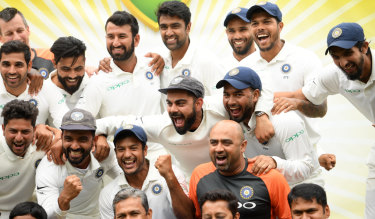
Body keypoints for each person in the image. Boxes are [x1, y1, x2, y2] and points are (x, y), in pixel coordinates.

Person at [273, 22, 374, 219]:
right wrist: (256, 102)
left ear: (364, 47)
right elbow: (297, 94)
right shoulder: (334, 75)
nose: (343, 62)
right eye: (336, 57)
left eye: (348, 53)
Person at [95, 75, 272, 179]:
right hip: (196, 185)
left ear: (199, 103)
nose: (173, 110)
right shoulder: (163, 125)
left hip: (239, 177)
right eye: (170, 103)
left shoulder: (219, 106)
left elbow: (261, 93)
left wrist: (261, 115)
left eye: (180, 103)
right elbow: (117, 122)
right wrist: (100, 134)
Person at [245, 2, 335, 171]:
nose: (260, 28)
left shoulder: (305, 58)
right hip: (261, 165)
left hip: (304, 161)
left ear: (280, 26)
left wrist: (296, 103)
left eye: (267, 22)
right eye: (255, 24)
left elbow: (321, 108)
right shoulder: (246, 66)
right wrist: (261, 114)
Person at [76, 11, 166, 161]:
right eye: (110, 37)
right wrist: (100, 135)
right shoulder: (98, 80)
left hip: (158, 154)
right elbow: (80, 121)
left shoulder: (154, 66)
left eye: (122, 36)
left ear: (136, 40)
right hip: (121, 161)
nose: (116, 43)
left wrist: (163, 58)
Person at [216, 66, 323, 187]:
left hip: (305, 189)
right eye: (226, 95)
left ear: (256, 95)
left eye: (238, 94)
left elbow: (306, 167)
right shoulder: (233, 118)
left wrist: (275, 163)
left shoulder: (285, 120)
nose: (231, 102)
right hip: (269, 190)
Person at [189, 120, 291, 219]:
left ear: (242, 146)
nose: (219, 149)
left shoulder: (270, 177)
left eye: (226, 143)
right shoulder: (199, 174)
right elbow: (196, 216)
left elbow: (289, 216)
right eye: (214, 143)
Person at [35, 108, 121, 218]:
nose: (74, 146)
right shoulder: (49, 165)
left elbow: (129, 179)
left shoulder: (104, 152)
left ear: (94, 140)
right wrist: (64, 199)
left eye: (82, 139)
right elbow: (45, 215)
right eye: (69, 139)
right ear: (61, 138)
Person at [99, 124, 192, 219]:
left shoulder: (170, 173)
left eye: (133, 148)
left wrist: (169, 176)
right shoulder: (108, 194)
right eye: (121, 149)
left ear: (145, 150)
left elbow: (189, 216)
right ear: (115, 153)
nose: (127, 155)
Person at [156, 1, 225, 111]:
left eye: (175, 26)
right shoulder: (159, 62)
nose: (169, 33)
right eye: (164, 27)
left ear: (188, 27)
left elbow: (223, 101)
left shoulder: (206, 60)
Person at [0, 40, 68, 130]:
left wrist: (48, 130)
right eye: (6, 64)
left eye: (18, 65)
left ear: (29, 66)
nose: (12, 71)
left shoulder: (46, 88)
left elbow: (67, 124)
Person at [0, 100, 47, 218]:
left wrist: (57, 136)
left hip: (28, 214)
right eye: (13, 131)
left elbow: (68, 138)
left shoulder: (43, 143)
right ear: (3, 129)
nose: (19, 138)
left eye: (25, 132)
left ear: (34, 130)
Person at [0, 7, 54, 79]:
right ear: (1, 38)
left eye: (20, 30)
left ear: (27, 30)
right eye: (9, 33)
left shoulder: (52, 56)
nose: (16, 38)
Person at [46, 36, 90, 109]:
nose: (72, 76)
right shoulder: (43, 91)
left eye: (78, 69)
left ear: (84, 62)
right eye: (66, 69)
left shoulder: (93, 82)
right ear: (54, 64)